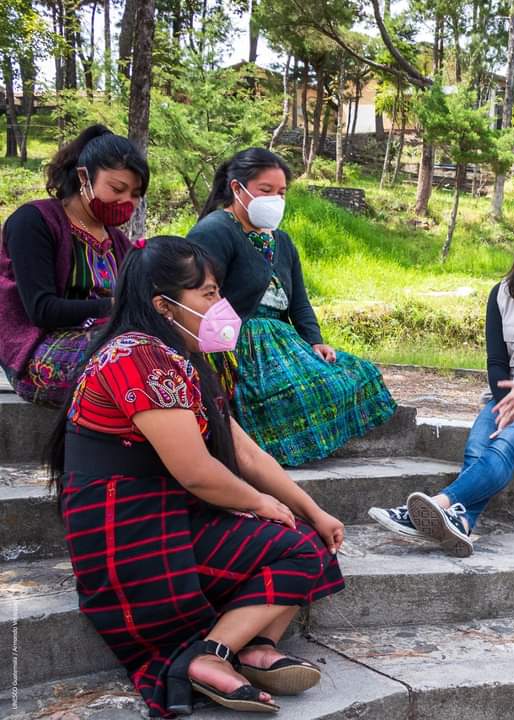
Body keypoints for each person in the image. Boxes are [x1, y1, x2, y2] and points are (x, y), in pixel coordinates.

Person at [48, 235, 346, 716]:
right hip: (129, 526)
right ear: (164, 305)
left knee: (312, 539)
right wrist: (261, 504)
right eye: (208, 294)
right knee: (294, 546)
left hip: (170, 510)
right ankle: (210, 655)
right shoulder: (137, 357)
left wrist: (312, 508)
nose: (221, 306)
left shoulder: (179, 358)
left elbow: (247, 455)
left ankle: (254, 648)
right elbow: (196, 471)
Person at [368, 200, 514, 557]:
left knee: (507, 444)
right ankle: (462, 524)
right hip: (509, 397)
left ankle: (432, 507)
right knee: (477, 449)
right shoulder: (502, 294)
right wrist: (507, 399)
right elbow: (496, 363)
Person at [186, 148, 396, 467]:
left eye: (281, 192)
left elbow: (299, 300)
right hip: (239, 340)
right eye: (266, 191)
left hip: (284, 339)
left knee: (358, 372)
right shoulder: (215, 230)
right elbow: (198, 296)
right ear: (237, 189)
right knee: (290, 392)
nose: (275, 199)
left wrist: (315, 340)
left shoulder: (281, 241)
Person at [0, 124, 145, 405]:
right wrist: (120, 305)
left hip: (107, 341)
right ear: (84, 177)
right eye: (117, 188)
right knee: (136, 361)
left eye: (135, 194)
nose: (127, 201)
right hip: (38, 351)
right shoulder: (34, 222)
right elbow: (42, 310)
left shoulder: (117, 241)